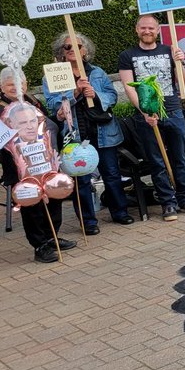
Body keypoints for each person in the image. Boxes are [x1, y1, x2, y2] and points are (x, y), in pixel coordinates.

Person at [118, 14, 185, 221]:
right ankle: (167, 203)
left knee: (179, 157)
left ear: (157, 30)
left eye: (151, 28)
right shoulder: (127, 55)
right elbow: (130, 88)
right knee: (156, 161)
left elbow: (183, 82)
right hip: (147, 115)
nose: (147, 31)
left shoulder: (168, 51)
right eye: (143, 28)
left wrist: (180, 62)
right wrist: (145, 112)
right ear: (137, 30)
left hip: (173, 110)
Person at [43, 32, 128, 231]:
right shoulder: (54, 76)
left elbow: (112, 96)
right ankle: (88, 221)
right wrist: (75, 93)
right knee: (80, 179)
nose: (73, 49)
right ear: (61, 52)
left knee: (112, 174)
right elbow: (53, 105)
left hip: (103, 132)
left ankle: (120, 212)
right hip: (76, 135)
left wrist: (95, 95)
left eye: (77, 46)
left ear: (85, 51)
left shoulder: (97, 72)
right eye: (67, 47)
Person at [0, 70, 76, 263]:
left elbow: (47, 125)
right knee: (32, 207)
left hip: (45, 164)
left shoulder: (31, 100)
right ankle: (39, 246)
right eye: (10, 84)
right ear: (1, 86)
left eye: (19, 83)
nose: (16, 88)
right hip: (21, 171)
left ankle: (52, 237)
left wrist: (60, 117)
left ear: (26, 84)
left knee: (54, 199)